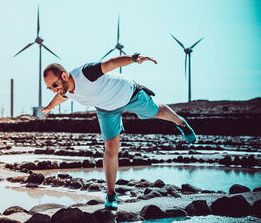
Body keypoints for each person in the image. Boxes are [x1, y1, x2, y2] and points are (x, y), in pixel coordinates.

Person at [40, 53, 196, 211]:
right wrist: (50, 107)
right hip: (106, 108)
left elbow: (111, 63)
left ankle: (181, 123)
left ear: (65, 76)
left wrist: (135, 58)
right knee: (111, 148)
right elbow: (61, 97)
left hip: (127, 93)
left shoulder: (86, 73)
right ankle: (111, 194)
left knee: (156, 111)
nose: (53, 90)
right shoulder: (63, 90)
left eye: (54, 85)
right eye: (49, 88)